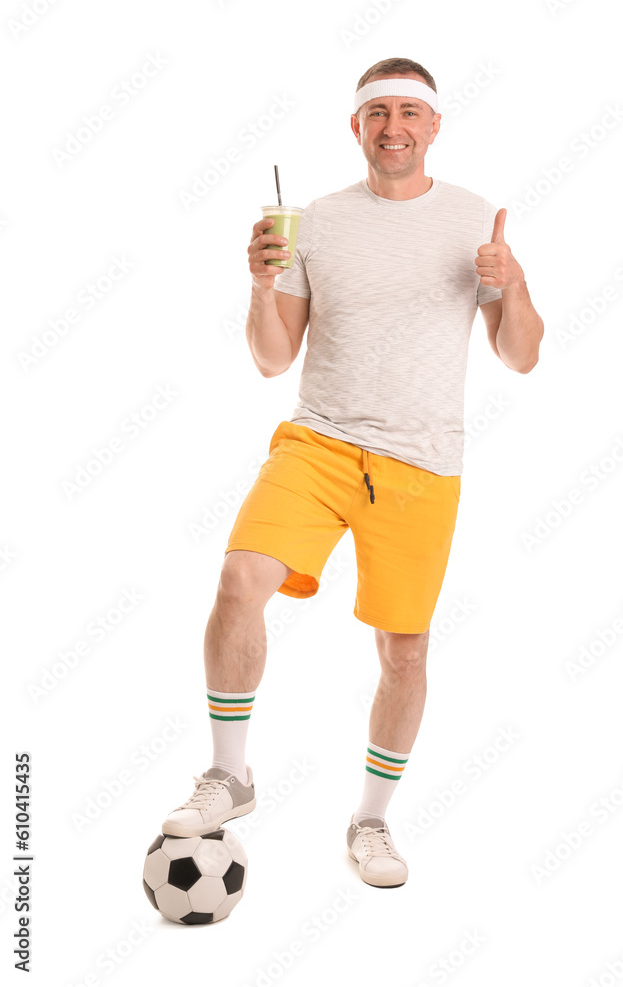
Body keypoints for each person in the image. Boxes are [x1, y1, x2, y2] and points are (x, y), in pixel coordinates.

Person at [161, 57, 544, 889]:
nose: (394, 126)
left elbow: (521, 357)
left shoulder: (476, 218)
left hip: (422, 464)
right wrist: (261, 286)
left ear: (434, 125)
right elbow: (273, 359)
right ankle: (232, 775)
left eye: (411, 111)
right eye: (379, 113)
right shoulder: (318, 224)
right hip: (319, 444)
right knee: (239, 579)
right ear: (357, 127)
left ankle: (371, 823)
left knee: (403, 652)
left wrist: (511, 287)